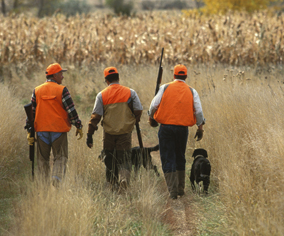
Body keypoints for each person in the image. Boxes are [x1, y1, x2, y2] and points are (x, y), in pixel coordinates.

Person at [148, 64, 205, 199]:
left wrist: (151, 117)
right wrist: (200, 127)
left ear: (174, 75)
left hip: (166, 128)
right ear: (185, 76)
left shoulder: (165, 87)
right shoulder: (192, 91)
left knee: (168, 157)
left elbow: (153, 105)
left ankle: (172, 190)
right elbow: (199, 111)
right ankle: (180, 188)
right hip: (182, 129)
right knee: (180, 156)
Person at [87, 67, 143, 190]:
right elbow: (138, 109)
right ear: (118, 78)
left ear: (106, 80)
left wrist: (89, 134)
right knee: (125, 158)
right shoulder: (130, 92)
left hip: (109, 133)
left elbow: (96, 116)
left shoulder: (101, 95)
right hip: (125, 132)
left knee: (110, 159)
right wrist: (133, 121)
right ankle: (123, 179)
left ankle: (111, 184)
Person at [31, 63, 83, 186]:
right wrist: (78, 125)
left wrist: (30, 131)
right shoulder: (62, 90)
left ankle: (44, 187)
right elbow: (71, 110)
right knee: (60, 157)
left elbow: (32, 113)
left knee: (42, 159)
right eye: (61, 73)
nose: (62, 76)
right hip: (58, 131)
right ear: (54, 75)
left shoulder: (37, 90)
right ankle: (57, 179)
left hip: (42, 131)